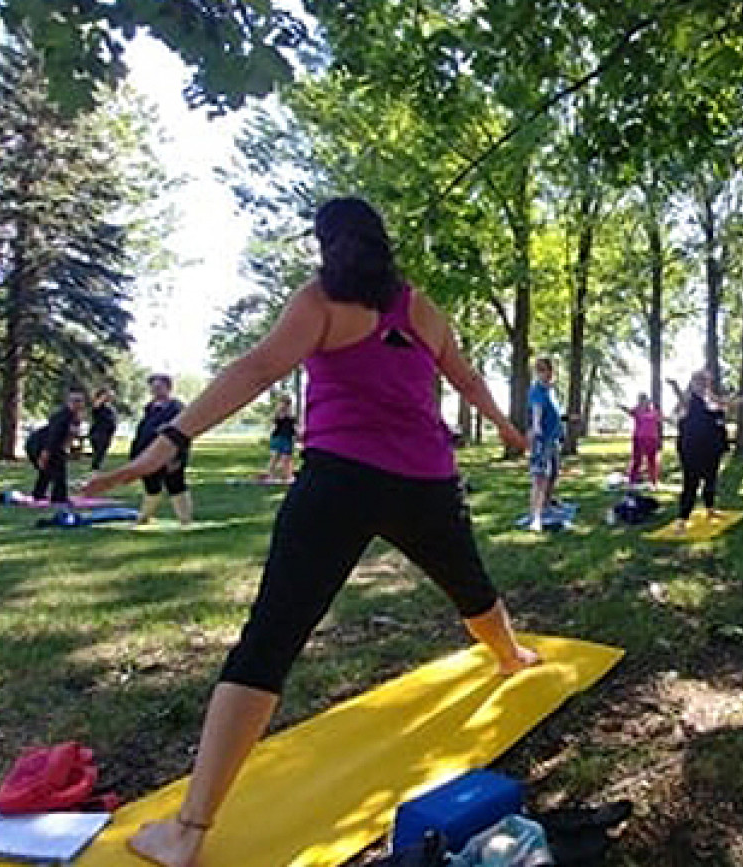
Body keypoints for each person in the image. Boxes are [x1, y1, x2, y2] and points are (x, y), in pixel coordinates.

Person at [82, 196, 538, 867]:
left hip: (340, 483)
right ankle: (510, 655)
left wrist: (173, 437)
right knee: (468, 583)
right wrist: (504, 428)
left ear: (327, 245)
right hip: (424, 483)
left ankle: (189, 829)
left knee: (270, 637)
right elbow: (466, 379)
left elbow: (257, 367)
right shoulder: (421, 308)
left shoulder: (320, 301)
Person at [667, 370, 743, 533]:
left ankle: (710, 509)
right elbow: (683, 404)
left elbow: (724, 412)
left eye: (705, 382)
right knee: (691, 482)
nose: (703, 385)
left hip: (712, 448)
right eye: (699, 382)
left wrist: (735, 402)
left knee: (711, 479)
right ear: (693, 383)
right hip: (692, 448)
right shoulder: (690, 400)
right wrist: (675, 388)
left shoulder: (711, 400)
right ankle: (682, 519)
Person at [132, 374, 192, 525]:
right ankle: (144, 517)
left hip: (169, 454)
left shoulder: (176, 408)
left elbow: (183, 434)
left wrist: (177, 457)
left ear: (168, 388)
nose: (155, 391)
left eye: (159, 387)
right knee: (151, 485)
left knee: (175, 485)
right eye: (152, 388)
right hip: (147, 454)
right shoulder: (149, 409)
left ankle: (185, 520)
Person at [26, 389, 86, 503]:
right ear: (69, 402)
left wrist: (68, 449)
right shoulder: (62, 417)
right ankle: (59, 497)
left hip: (48, 443)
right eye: (75, 401)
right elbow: (53, 437)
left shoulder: (75, 417)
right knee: (57, 469)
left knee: (49, 469)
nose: (79, 404)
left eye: (81, 401)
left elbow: (70, 435)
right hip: (39, 443)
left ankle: (39, 494)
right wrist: (44, 454)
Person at [527, 357, 564, 532]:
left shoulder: (550, 391)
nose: (545, 373)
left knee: (553, 474)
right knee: (540, 478)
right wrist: (536, 429)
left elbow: (554, 414)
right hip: (542, 440)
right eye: (541, 370)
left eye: (547, 370)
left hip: (553, 439)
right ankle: (535, 517)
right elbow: (537, 411)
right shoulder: (537, 390)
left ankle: (547, 506)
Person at [620, 393, 663, 489]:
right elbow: (628, 411)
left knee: (652, 461)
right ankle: (632, 481)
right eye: (641, 400)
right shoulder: (636, 410)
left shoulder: (654, 412)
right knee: (637, 460)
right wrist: (622, 407)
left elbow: (662, 418)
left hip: (652, 439)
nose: (643, 402)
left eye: (644, 399)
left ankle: (653, 482)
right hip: (639, 439)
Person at [265, 394, 299, 482]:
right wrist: (280, 413)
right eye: (283, 402)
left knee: (286, 459)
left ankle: (288, 476)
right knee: (275, 458)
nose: (285, 405)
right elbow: (273, 423)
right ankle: (270, 476)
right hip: (277, 438)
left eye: (287, 403)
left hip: (287, 439)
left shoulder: (291, 415)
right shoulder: (277, 414)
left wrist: (297, 435)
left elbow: (294, 427)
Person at [88, 388, 118, 471]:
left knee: (102, 450)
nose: (110, 397)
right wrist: (103, 396)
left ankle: (97, 467)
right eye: (108, 396)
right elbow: (96, 407)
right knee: (99, 450)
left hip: (108, 432)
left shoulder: (111, 408)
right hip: (99, 432)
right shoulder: (99, 406)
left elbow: (114, 420)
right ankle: (95, 467)